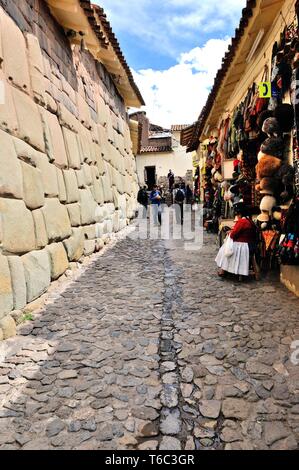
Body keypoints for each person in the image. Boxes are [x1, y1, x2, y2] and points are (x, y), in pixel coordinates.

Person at [215, 202, 258, 278]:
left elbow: (233, 234)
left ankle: (224, 270)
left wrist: (230, 232)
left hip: (244, 246)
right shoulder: (249, 221)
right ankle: (225, 270)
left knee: (226, 249)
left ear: (239, 214)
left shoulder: (242, 222)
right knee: (227, 248)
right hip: (250, 244)